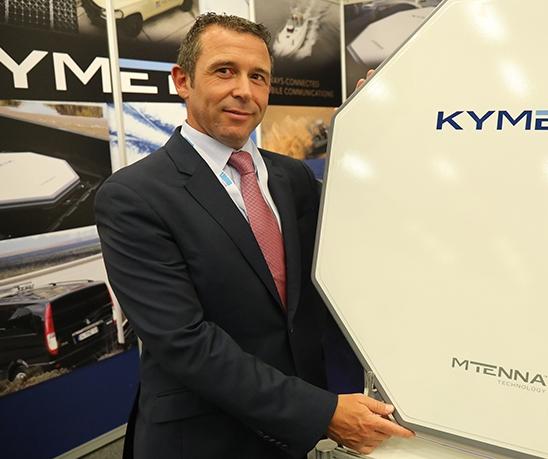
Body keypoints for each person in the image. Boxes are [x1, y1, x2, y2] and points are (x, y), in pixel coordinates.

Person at [95, 13, 413, 459]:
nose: (244, 90)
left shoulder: (291, 177)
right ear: (183, 81)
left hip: (289, 437)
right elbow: (184, 342)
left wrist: (376, 137)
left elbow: (352, 241)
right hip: (203, 439)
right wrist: (321, 412)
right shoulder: (133, 196)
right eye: (225, 71)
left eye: (258, 76)